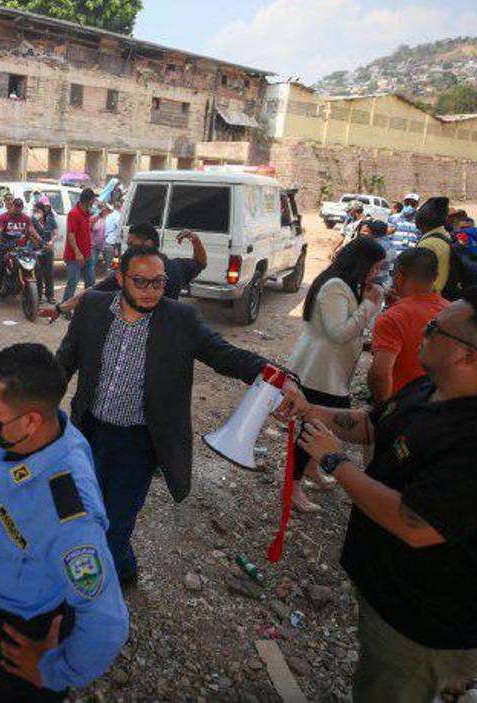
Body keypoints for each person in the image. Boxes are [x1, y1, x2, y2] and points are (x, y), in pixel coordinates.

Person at [297, 287, 477, 703]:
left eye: (434, 328)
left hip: (423, 622)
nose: (423, 332)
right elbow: (373, 425)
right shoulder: (430, 388)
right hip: (388, 590)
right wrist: (308, 410)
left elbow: (414, 524)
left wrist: (335, 463)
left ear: (468, 356)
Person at [55, 246, 306, 585]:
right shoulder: (93, 307)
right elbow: (64, 362)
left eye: (158, 283)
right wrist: (36, 405)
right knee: (86, 511)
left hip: (139, 442)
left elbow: (223, 355)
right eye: (140, 282)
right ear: (120, 278)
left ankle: (106, 589)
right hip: (89, 431)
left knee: (115, 524)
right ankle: (124, 568)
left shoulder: (181, 320)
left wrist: (278, 377)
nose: (150, 291)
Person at [0, 343, 129, 701]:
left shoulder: (71, 517)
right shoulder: (25, 436)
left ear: (30, 420)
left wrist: (54, 669)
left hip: (20, 634)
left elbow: (107, 623)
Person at [286, 237, 386, 512]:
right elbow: (339, 332)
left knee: (323, 426)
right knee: (313, 429)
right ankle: (292, 489)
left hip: (331, 373)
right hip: (319, 373)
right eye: (374, 267)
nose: (376, 274)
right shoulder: (335, 286)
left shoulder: (345, 284)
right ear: (361, 262)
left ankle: (310, 470)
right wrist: (369, 305)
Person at [44, 222, 208, 319]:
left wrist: (59, 309)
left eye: (132, 244)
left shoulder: (130, 276)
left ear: (148, 243)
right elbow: (200, 262)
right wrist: (196, 240)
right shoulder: (176, 268)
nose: (128, 249)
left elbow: (90, 293)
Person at [368, 249, 448, 403]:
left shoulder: (393, 318)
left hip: (403, 409)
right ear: (436, 277)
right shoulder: (452, 312)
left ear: (398, 276)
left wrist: (383, 408)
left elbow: (380, 374)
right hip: (440, 408)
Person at [0, 197, 42, 310]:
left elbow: (32, 230)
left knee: (36, 267)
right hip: (5, 245)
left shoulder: (26, 218)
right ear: (12, 206)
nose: (17, 209)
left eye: (19, 207)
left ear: (22, 208)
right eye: (15, 207)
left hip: (21, 247)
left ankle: (38, 297)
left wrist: (40, 240)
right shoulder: (4, 217)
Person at [61, 188, 96, 303]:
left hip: (87, 254)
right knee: (72, 283)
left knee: (90, 282)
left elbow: (88, 224)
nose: (94, 202)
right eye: (93, 200)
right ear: (89, 201)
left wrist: (100, 214)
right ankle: (65, 308)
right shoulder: (74, 213)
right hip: (74, 256)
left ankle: (88, 305)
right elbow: (70, 235)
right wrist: (77, 252)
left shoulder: (86, 212)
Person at [414, 197, 454, 295]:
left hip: (429, 300)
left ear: (420, 220)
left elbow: (419, 283)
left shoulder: (427, 245)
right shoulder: (446, 235)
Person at [30, 200, 58, 303]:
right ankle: (39, 296)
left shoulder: (50, 219)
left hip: (48, 249)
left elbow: (55, 233)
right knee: (38, 273)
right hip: (36, 249)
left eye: (38, 211)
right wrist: (36, 242)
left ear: (43, 211)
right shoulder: (32, 220)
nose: (36, 213)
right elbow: (30, 234)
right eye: (34, 211)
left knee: (49, 272)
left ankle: (50, 295)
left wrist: (51, 242)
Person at [101, 199, 122, 272]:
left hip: (107, 242)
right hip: (112, 244)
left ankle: (111, 275)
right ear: (120, 207)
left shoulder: (110, 216)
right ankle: (112, 278)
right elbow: (120, 226)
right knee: (114, 264)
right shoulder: (117, 216)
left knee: (111, 264)